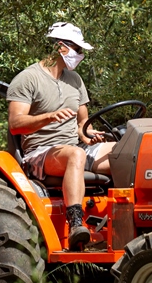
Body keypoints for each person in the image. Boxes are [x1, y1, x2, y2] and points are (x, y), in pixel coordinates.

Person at [7, 21, 111, 250]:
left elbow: (83, 123)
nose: (81, 55)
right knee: (75, 155)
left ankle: (127, 219)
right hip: (40, 153)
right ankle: (75, 224)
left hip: (74, 147)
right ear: (61, 48)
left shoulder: (75, 81)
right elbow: (15, 124)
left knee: (123, 152)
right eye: (78, 49)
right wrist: (48, 117)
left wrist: (88, 135)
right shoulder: (28, 79)